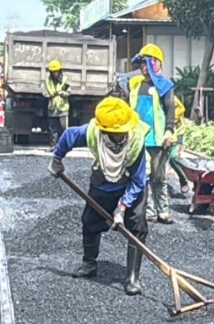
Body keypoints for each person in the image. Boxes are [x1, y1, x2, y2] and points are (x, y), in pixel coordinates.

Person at [49, 98, 150, 295]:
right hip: (102, 182)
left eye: (123, 132)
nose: (121, 135)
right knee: (90, 221)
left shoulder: (136, 139)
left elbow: (138, 180)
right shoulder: (93, 132)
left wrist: (122, 208)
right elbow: (68, 136)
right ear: (106, 131)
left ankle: (132, 278)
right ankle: (89, 264)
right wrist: (57, 160)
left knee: (137, 226)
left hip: (131, 185)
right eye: (116, 133)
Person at [129, 44, 177, 224]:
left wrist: (169, 130)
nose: (143, 67)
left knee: (158, 176)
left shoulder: (164, 86)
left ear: (155, 64)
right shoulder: (136, 86)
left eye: (146, 63)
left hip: (157, 139)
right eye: (141, 64)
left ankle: (163, 211)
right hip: (139, 138)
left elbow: (170, 108)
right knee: (144, 177)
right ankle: (148, 211)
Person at [44, 59, 70, 147]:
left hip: (62, 108)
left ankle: (63, 146)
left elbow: (69, 91)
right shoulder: (48, 80)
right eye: (53, 71)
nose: (55, 73)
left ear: (59, 70)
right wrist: (49, 95)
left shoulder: (65, 79)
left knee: (64, 129)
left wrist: (62, 93)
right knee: (52, 129)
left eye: (56, 71)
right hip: (52, 108)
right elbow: (44, 92)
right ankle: (53, 146)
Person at [168, 97, 190, 195]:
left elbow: (181, 109)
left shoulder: (172, 100)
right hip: (159, 136)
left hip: (176, 135)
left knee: (173, 158)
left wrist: (169, 119)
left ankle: (183, 179)